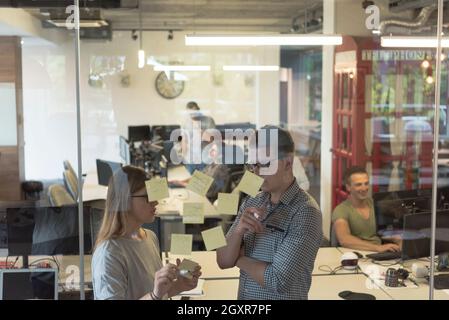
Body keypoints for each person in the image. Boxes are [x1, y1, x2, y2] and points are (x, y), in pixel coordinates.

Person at [216, 125, 323, 300]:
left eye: (265, 164)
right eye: (253, 165)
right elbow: (223, 261)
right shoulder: (253, 201)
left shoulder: (305, 212)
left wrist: (240, 258)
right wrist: (237, 232)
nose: (256, 172)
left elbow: (278, 280)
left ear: (288, 163)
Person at [91, 165, 201, 300]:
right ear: (124, 200)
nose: (155, 202)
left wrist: (179, 285)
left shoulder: (150, 236)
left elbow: (153, 292)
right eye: (147, 196)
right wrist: (155, 295)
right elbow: (154, 295)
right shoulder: (108, 254)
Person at [332, 166, 400, 253]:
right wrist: (378, 248)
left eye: (366, 183)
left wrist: (400, 241)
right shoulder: (341, 210)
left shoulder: (376, 204)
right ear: (348, 187)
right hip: (355, 254)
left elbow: (386, 231)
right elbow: (344, 239)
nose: (364, 188)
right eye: (358, 184)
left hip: (379, 254)